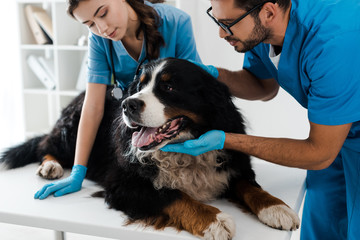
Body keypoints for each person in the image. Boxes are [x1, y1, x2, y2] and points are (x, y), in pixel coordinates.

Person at [161, 0, 360, 239]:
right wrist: (212, 74)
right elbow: (262, 86)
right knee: (322, 220)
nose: (221, 33)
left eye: (228, 24)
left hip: (333, 139)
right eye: (217, 20)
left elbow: (320, 153)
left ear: (268, 12)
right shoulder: (261, 29)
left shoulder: (332, 43)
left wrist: (226, 140)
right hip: (336, 130)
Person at [34, 0, 201, 200]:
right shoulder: (98, 39)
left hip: (170, 123)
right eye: (90, 24)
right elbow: (93, 105)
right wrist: (78, 171)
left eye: (103, 13)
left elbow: (194, 90)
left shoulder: (176, 22)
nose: (102, 28)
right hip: (134, 122)